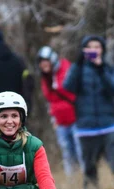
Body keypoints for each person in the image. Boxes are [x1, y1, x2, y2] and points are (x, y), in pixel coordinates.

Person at [63, 35, 114, 189]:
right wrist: (79, 64)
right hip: (86, 128)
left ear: (102, 50)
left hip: (108, 126)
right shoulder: (77, 68)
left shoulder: (107, 68)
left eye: (97, 47)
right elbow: (68, 86)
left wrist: (100, 69)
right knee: (89, 168)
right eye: (90, 47)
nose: (93, 50)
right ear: (84, 50)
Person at [37, 46, 82, 176]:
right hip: (60, 121)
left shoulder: (67, 69)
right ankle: (72, 181)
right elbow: (50, 99)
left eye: (46, 61)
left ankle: (86, 179)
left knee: (80, 151)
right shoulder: (46, 78)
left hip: (75, 118)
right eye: (41, 63)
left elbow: (69, 90)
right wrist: (53, 117)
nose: (44, 65)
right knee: (67, 152)